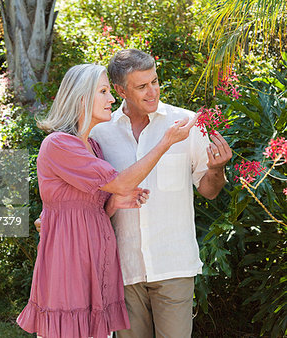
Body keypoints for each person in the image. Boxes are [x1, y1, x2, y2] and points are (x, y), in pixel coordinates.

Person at [17, 63, 199, 338]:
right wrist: (165, 142)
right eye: (103, 91)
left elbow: (93, 204)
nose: (112, 99)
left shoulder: (93, 147)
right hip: (70, 263)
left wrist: (113, 204)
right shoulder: (59, 144)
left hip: (97, 264)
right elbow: (121, 182)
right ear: (82, 99)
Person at [89, 49, 232, 338]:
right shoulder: (100, 133)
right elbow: (91, 200)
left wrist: (217, 170)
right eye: (142, 87)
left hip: (174, 264)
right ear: (120, 90)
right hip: (123, 268)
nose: (152, 91)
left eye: (154, 81)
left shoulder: (187, 124)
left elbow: (209, 191)